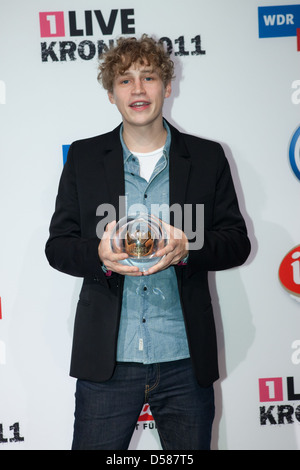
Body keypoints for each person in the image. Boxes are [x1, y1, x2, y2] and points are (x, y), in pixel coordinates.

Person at [45, 34, 251, 450]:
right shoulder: (84, 158)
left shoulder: (208, 157)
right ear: (111, 94)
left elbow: (237, 243)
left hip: (184, 359)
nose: (138, 89)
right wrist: (98, 255)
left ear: (167, 86)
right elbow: (58, 245)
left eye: (149, 77)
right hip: (107, 363)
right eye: (124, 80)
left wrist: (188, 247)